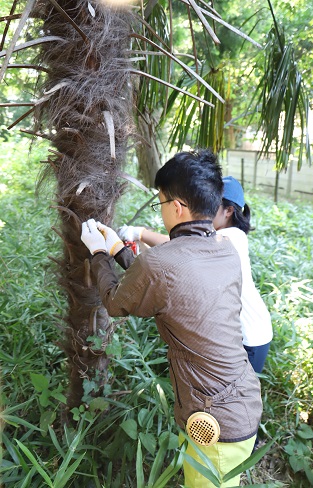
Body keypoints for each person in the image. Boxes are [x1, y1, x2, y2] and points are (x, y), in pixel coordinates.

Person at [80, 149, 262, 487]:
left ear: (176, 206)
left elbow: (118, 303)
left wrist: (99, 254)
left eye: (160, 202)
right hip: (240, 398)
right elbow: (167, 282)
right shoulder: (225, 251)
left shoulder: (162, 263)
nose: (161, 210)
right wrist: (120, 249)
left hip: (215, 420)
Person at [119, 176, 273, 374]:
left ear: (229, 211)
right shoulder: (213, 238)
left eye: (211, 206)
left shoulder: (233, 237)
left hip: (250, 336)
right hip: (236, 334)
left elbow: (183, 247)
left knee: (236, 396)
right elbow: (180, 255)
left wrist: (140, 232)